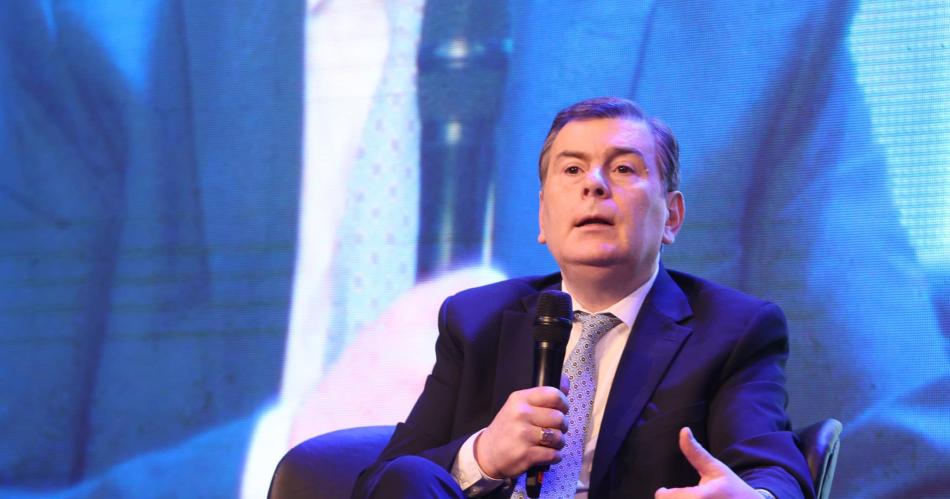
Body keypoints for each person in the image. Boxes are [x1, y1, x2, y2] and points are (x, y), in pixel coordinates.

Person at [353, 97, 813, 498]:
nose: (593, 184)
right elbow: (385, 482)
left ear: (671, 217)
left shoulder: (733, 331)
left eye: (623, 168)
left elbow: (773, 469)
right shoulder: (475, 320)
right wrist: (484, 455)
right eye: (572, 169)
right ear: (542, 216)